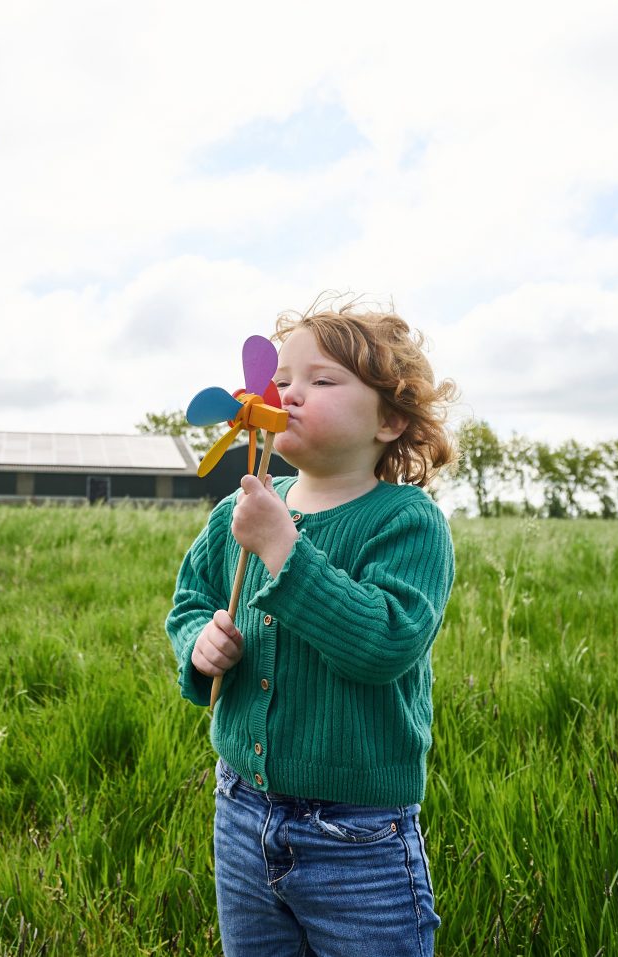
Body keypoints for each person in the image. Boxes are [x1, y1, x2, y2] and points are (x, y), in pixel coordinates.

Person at [165, 297, 458, 956]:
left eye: (321, 381)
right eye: (284, 380)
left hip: (358, 835)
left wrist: (283, 548)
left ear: (388, 419)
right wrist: (200, 645)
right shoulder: (234, 513)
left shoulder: (406, 521)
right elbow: (190, 603)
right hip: (241, 807)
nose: (290, 394)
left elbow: (385, 641)